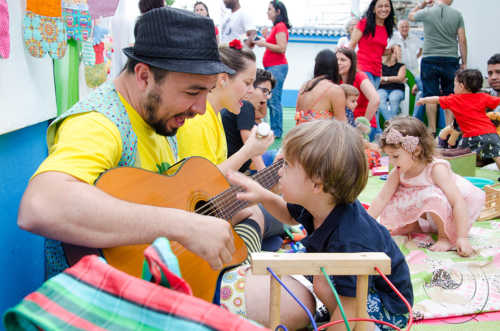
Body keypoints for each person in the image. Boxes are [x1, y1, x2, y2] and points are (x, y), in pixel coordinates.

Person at [18, 7, 237, 279]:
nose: (201, 109)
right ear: (144, 76)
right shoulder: (99, 123)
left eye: (207, 92)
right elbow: (40, 205)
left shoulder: (157, 115)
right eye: (192, 92)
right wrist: (183, 225)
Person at [176, 39, 313, 330]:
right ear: (223, 79)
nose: (251, 91)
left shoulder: (210, 119)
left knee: (261, 209)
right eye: (248, 82)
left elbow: (212, 181)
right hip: (197, 221)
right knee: (260, 212)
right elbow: (200, 184)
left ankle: (245, 265)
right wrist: (249, 153)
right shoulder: (198, 121)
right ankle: (240, 271)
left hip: (210, 211)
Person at [227, 120, 414, 331]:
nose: (279, 172)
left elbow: (351, 308)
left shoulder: (351, 239)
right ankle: (332, 308)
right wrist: (262, 196)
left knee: (324, 285)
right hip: (347, 283)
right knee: (321, 281)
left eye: (286, 166)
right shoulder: (320, 203)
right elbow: (288, 215)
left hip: (388, 308)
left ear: (316, 184)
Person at [369, 116, 485, 256]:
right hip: (432, 213)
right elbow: (381, 199)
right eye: (389, 156)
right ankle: (413, 225)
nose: (392, 162)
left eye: (395, 156)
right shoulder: (398, 172)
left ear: (416, 151)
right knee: (395, 196)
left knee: (431, 195)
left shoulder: (436, 169)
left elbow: (457, 201)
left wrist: (462, 237)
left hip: (454, 211)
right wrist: (364, 225)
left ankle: (445, 236)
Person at [417, 69, 500, 168]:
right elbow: (497, 101)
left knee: (460, 156)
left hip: (472, 136)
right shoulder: (483, 96)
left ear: (461, 86)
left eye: (454, 84)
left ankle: (455, 173)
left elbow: (436, 99)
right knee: (497, 155)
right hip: (491, 133)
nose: (453, 87)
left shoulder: (454, 99)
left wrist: (423, 100)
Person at [409, 0, 467, 134]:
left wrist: (422, 4)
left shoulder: (427, 12)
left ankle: (432, 129)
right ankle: (449, 130)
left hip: (430, 58)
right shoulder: (457, 14)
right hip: (450, 59)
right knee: (450, 95)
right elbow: (462, 39)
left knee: (430, 94)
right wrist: (464, 62)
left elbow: (411, 16)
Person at [222, 68, 276, 173]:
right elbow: (249, 141)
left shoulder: (240, 106)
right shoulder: (245, 106)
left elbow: (261, 116)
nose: (267, 96)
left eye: (269, 93)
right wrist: (263, 172)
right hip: (234, 171)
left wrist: (263, 99)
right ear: (250, 87)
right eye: (264, 91)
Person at [255, 0, 291, 139]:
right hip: (273, 67)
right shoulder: (277, 27)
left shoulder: (280, 26)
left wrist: (264, 43)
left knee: (274, 99)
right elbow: (275, 44)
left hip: (277, 67)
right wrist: (265, 38)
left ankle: (277, 131)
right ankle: (274, 129)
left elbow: (282, 48)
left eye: (270, 9)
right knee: (271, 98)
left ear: (278, 11)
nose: (267, 12)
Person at [349, 0, 396, 89]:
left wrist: (392, 50)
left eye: (387, 6)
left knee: (369, 102)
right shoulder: (364, 24)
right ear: (374, 9)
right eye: (380, 6)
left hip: (377, 72)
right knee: (372, 100)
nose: (384, 9)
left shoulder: (386, 29)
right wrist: (353, 67)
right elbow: (351, 45)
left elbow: (379, 51)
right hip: (362, 69)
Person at [337, 47, 380, 141]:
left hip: (362, 127)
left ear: (352, 62)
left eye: (343, 60)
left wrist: (364, 123)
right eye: (336, 59)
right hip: (346, 126)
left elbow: (375, 99)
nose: (338, 62)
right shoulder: (336, 80)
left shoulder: (360, 76)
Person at [295, 49, 346, 125]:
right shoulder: (335, 90)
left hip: (300, 132)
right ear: (335, 67)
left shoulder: (305, 85)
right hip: (319, 134)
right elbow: (342, 123)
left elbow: (298, 113)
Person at [378, 46, 407, 123]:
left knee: (394, 98)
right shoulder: (381, 65)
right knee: (379, 100)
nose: (398, 54)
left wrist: (385, 79)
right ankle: (392, 123)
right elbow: (379, 80)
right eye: (396, 52)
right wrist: (395, 79)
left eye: (399, 52)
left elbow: (400, 78)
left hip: (397, 89)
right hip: (382, 89)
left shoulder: (401, 66)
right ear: (390, 52)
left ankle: (390, 124)